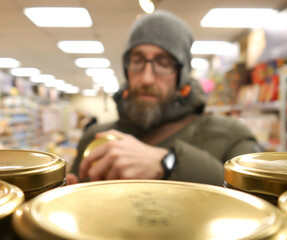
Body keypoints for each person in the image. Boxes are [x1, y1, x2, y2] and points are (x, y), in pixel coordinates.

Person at [67, 10, 260, 186]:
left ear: (181, 75)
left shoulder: (231, 137)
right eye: (137, 60)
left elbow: (258, 205)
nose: (146, 78)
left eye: (163, 62)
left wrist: (170, 163)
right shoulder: (95, 138)